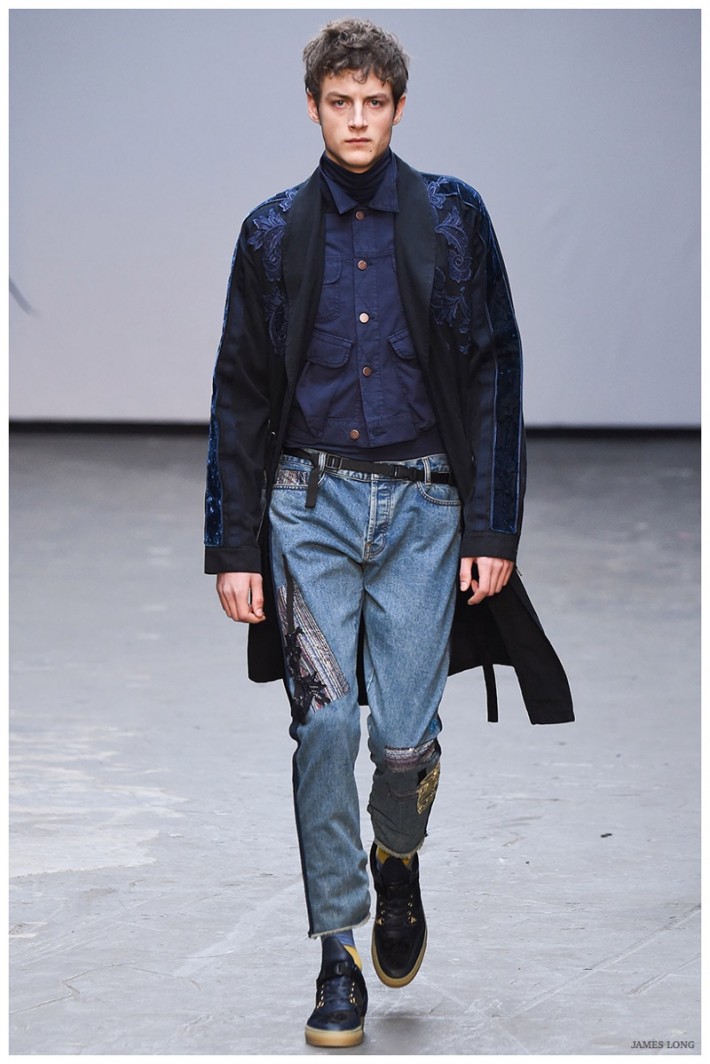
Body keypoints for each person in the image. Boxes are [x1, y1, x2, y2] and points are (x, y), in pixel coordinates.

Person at [204, 17, 573, 1048]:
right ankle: (338, 955)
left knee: (402, 746)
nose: (357, 120)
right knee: (323, 726)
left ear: (398, 108)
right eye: (340, 103)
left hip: (424, 511)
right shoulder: (270, 232)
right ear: (313, 108)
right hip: (307, 505)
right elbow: (239, 389)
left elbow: (494, 368)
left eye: (374, 103)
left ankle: (396, 855)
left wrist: (493, 524)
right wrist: (233, 547)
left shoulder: (453, 216)